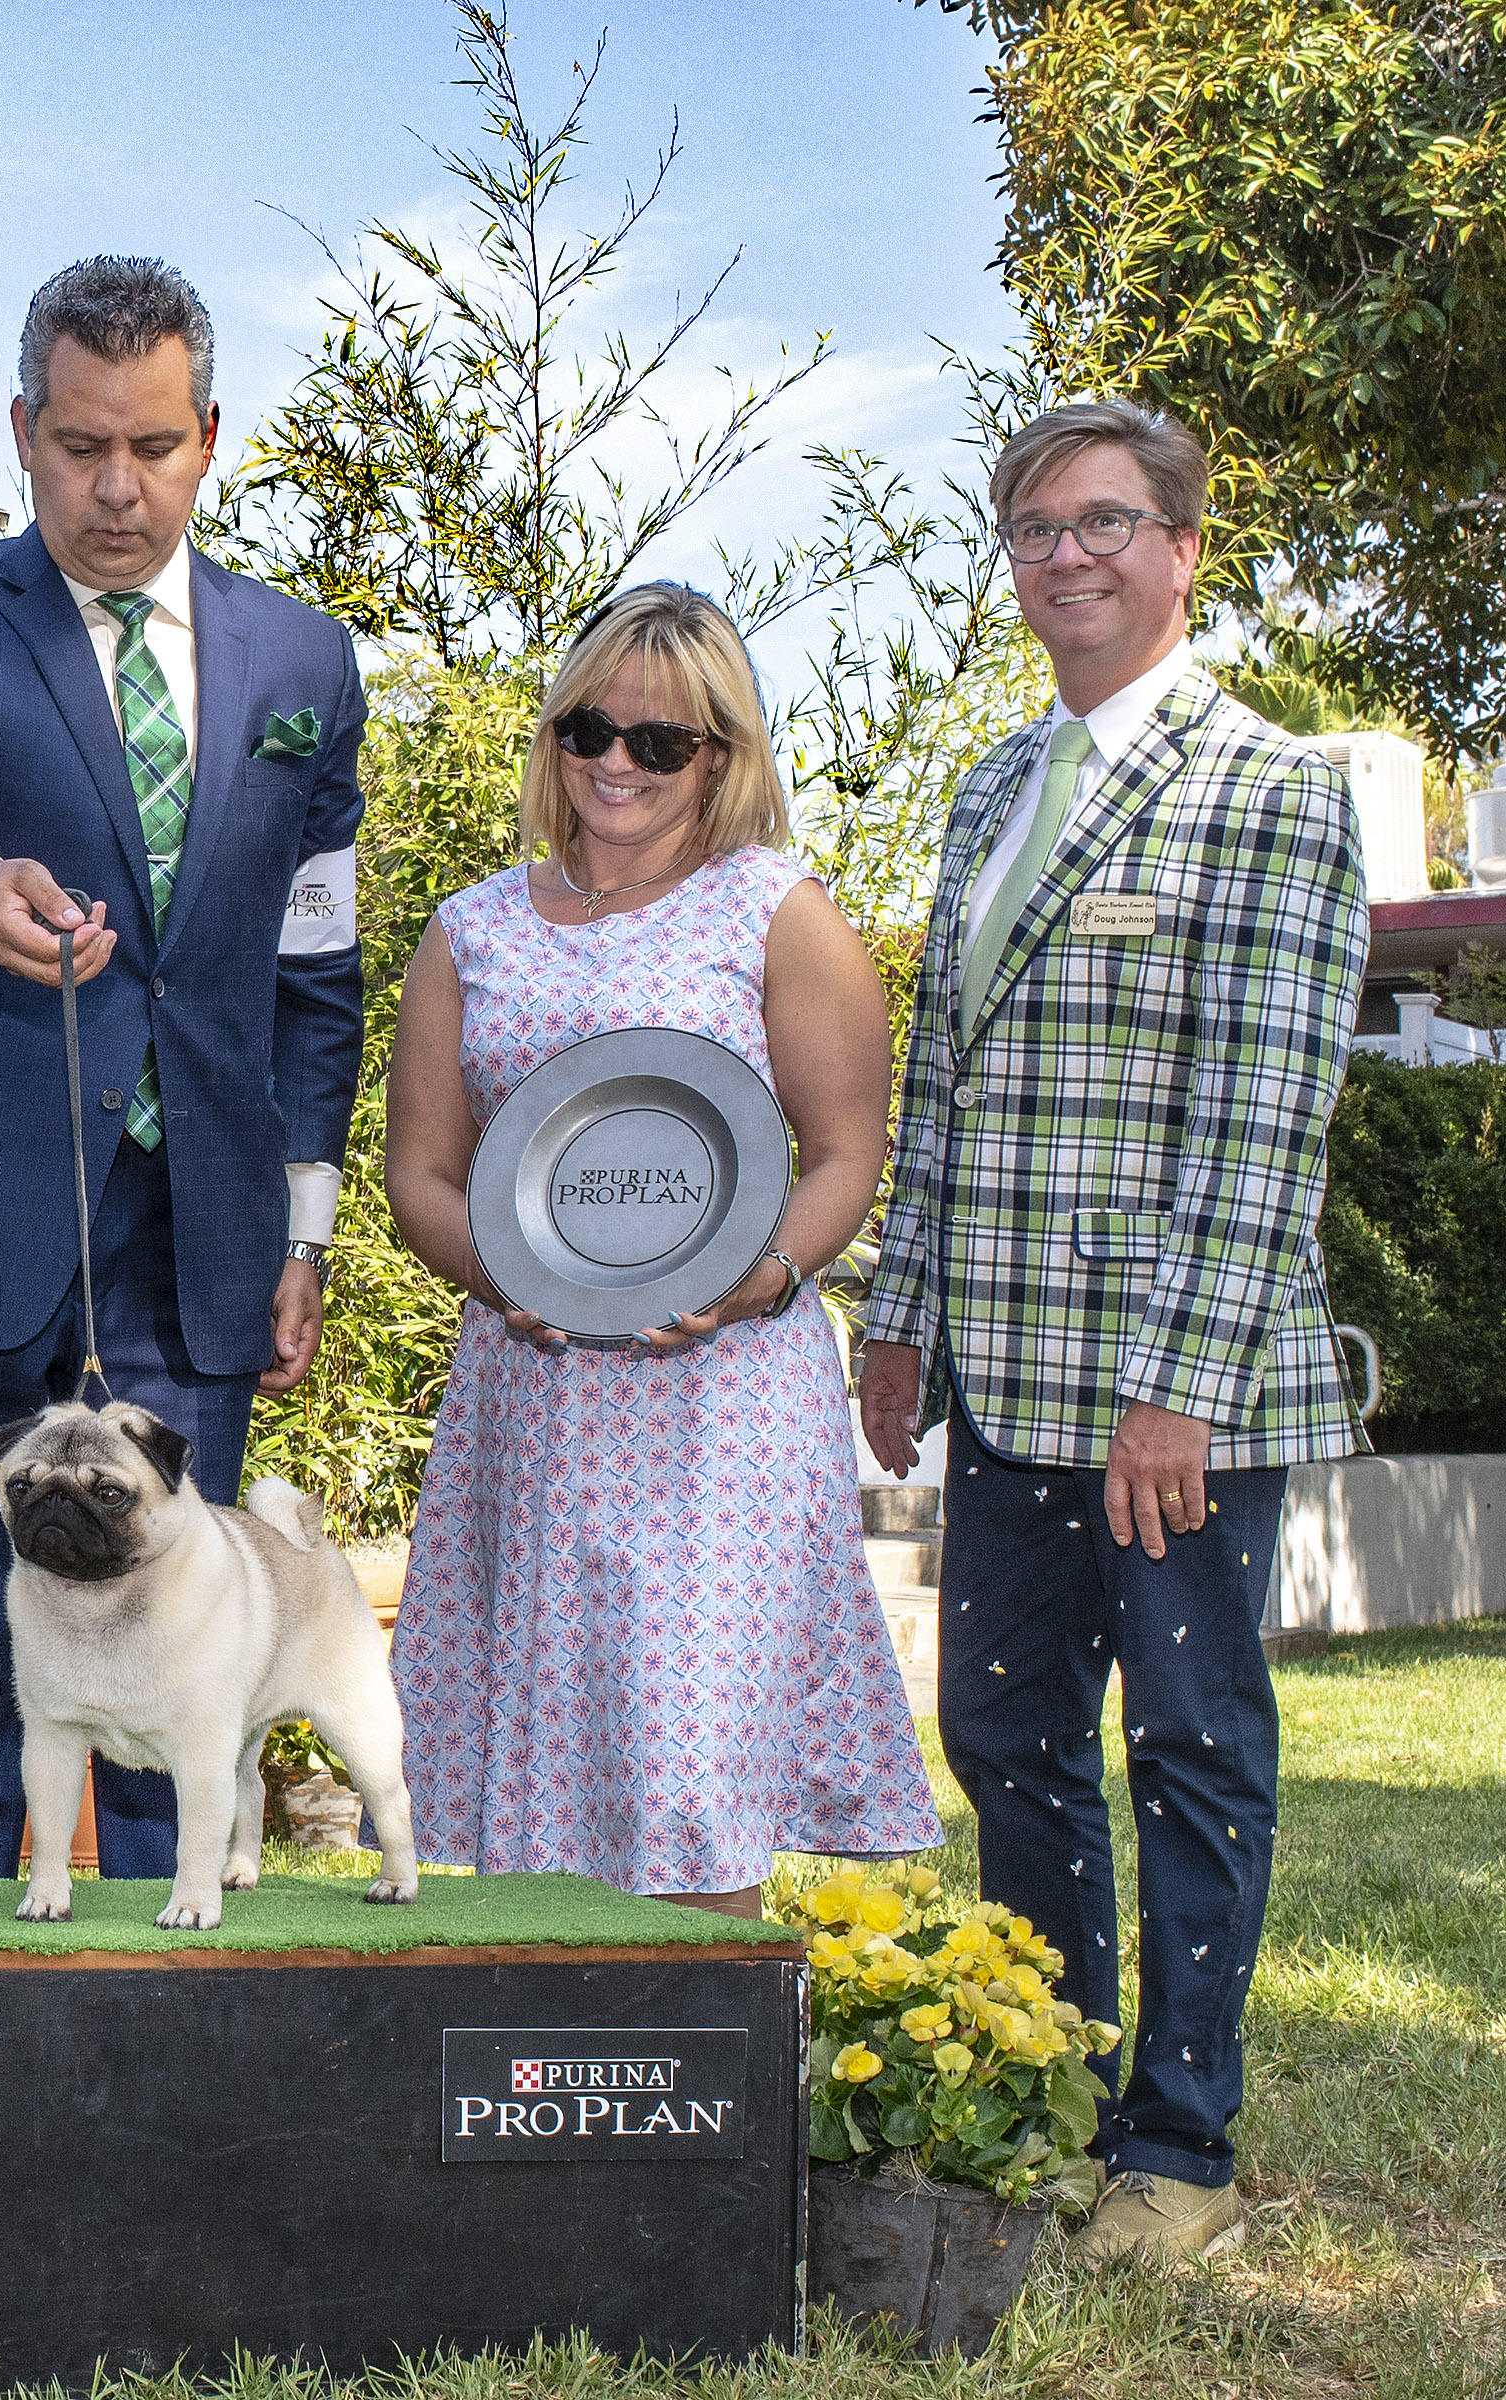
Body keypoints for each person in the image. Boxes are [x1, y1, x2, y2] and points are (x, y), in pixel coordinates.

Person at [860, 400, 1367, 2263]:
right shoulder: (994, 786)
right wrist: (899, 1315)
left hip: (1177, 1396)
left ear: (1182, 550)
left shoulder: (1271, 788)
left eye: (1101, 522)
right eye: (1033, 530)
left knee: (1192, 1749)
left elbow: (1266, 1117)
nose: (1062, 556)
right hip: (1002, 1375)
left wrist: (1179, 1390)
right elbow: (947, 1082)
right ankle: (1056, 2101)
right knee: (1004, 1733)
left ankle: (1180, 2152)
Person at [0, 255, 367, 1882]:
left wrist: (304, 1230)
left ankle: (151, 2027)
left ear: (210, 438)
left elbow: (314, 975)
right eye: (77, 447)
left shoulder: (306, 666)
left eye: (151, 446)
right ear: (21, 434)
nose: (115, 487)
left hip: (198, 1250)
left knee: (178, 1674)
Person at [382, 583, 940, 1917]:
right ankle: (548, 2046)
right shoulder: (471, 928)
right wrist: (504, 1279)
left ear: (722, 757)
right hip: (534, 1406)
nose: (616, 763)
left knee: (693, 1784)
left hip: (721, 1413)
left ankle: (699, 2044)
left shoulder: (777, 912)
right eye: (589, 730)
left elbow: (846, 1155)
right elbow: (421, 1178)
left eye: (661, 741)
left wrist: (761, 1277)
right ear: (554, 738)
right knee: (544, 1787)